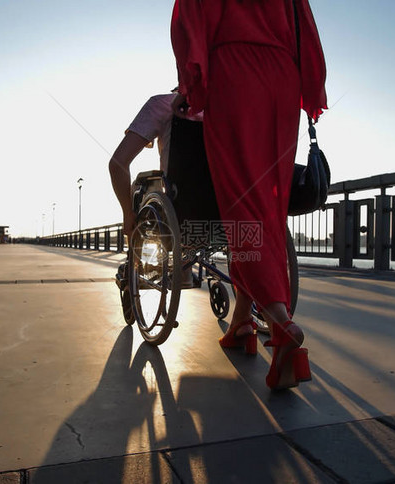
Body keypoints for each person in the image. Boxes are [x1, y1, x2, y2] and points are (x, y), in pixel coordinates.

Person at [172, 0, 327, 390]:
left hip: (236, 70)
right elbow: (303, 25)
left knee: (241, 203)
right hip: (283, 77)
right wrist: (309, 87)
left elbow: (192, 15)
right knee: (269, 208)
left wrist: (191, 84)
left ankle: (279, 321)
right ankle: (241, 319)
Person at [109, 90, 202, 237]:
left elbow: (117, 164)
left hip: (180, 209)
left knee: (138, 187)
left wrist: (127, 213)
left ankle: (135, 255)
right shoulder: (234, 108)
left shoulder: (163, 105)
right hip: (231, 210)